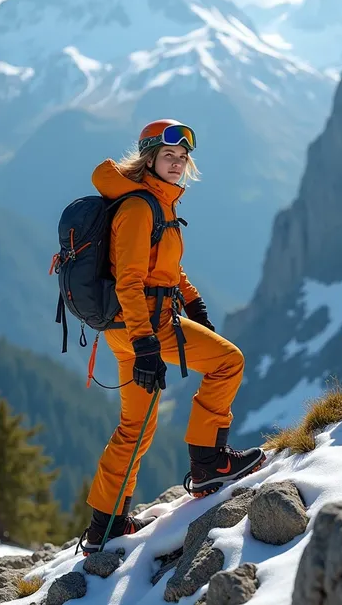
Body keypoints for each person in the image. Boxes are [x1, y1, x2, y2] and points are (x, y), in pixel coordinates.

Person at [79, 119, 265, 554]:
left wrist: (193, 301)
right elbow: (128, 280)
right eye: (169, 156)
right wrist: (146, 343)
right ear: (149, 158)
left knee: (136, 427)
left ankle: (103, 528)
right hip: (145, 325)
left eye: (183, 158)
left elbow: (166, 268)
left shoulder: (158, 204)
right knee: (228, 361)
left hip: (128, 329)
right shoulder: (140, 208)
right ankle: (208, 464)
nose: (178, 163)